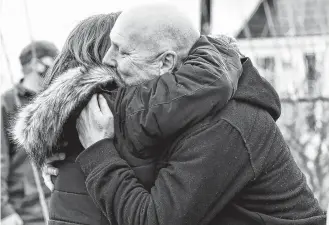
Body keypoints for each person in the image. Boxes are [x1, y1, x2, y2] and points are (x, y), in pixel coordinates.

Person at [72, 3, 325, 225]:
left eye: (122, 51)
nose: (107, 59)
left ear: (166, 63)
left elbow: (151, 220)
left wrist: (98, 151)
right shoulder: (182, 111)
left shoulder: (226, 125)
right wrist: (65, 158)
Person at [12, 12, 243, 225]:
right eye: (120, 49)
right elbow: (209, 81)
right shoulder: (126, 106)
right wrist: (222, 49)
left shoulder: (70, 114)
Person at [1, 41, 58, 225]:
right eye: (55, 61)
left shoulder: (56, 100)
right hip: (25, 214)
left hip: (60, 207)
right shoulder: (6, 103)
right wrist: (4, 210)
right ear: (36, 64)